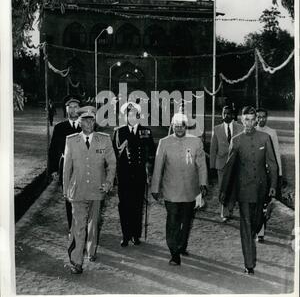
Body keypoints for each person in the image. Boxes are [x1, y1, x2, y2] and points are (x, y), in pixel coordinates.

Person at [219, 106, 278, 275]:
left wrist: (273, 186)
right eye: (247, 119)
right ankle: (249, 264)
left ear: (255, 120)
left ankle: (251, 238)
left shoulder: (265, 138)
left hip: (261, 189)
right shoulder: (236, 140)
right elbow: (229, 167)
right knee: (245, 225)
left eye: (253, 119)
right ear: (241, 120)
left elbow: (273, 165)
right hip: (244, 190)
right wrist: (224, 190)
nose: (250, 123)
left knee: (257, 222)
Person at [63, 106, 116, 274]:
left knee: (93, 224)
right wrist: (66, 190)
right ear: (80, 122)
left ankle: (91, 251)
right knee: (78, 226)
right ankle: (76, 261)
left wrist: (108, 183)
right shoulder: (71, 140)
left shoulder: (104, 140)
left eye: (92, 119)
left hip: (97, 189)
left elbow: (112, 164)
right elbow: (66, 168)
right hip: (78, 190)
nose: (89, 123)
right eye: (85, 120)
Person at [151, 113, 208, 266]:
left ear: (186, 126)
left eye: (182, 125)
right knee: (172, 222)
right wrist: (155, 187)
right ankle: (174, 253)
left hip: (191, 191)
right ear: (172, 126)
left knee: (186, 221)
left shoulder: (196, 142)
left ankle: (182, 245)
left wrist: (203, 184)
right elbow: (158, 167)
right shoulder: (164, 142)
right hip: (171, 191)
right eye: (176, 126)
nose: (179, 128)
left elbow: (201, 165)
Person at [112, 101, 155, 247]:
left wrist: (149, 168)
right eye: (128, 115)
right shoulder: (119, 132)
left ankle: (135, 235)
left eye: (134, 114)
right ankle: (125, 235)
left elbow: (151, 153)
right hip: (123, 175)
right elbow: (113, 155)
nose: (131, 117)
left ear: (139, 116)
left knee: (137, 205)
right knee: (123, 205)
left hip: (139, 175)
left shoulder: (146, 132)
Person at [48, 95, 82, 230]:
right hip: (66, 170)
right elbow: (53, 150)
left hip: (84, 169)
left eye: (76, 107)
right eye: (70, 107)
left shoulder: (87, 125)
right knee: (69, 199)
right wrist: (53, 169)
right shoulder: (60, 128)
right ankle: (72, 228)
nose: (73, 110)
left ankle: (82, 227)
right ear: (66, 109)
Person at [210, 106, 243, 222]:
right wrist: (212, 166)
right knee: (222, 187)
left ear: (233, 115)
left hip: (235, 164)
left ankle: (230, 208)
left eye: (229, 114)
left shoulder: (240, 128)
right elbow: (213, 149)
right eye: (224, 113)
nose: (226, 116)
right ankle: (224, 211)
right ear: (221, 115)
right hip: (221, 164)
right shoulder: (217, 129)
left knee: (233, 187)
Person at [256, 107, 283, 242]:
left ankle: (260, 232)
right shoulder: (251, 131)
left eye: (263, 117)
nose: (261, 119)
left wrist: (279, 174)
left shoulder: (272, 133)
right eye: (258, 116)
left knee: (263, 203)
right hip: (253, 174)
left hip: (266, 174)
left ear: (267, 118)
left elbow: (276, 153)